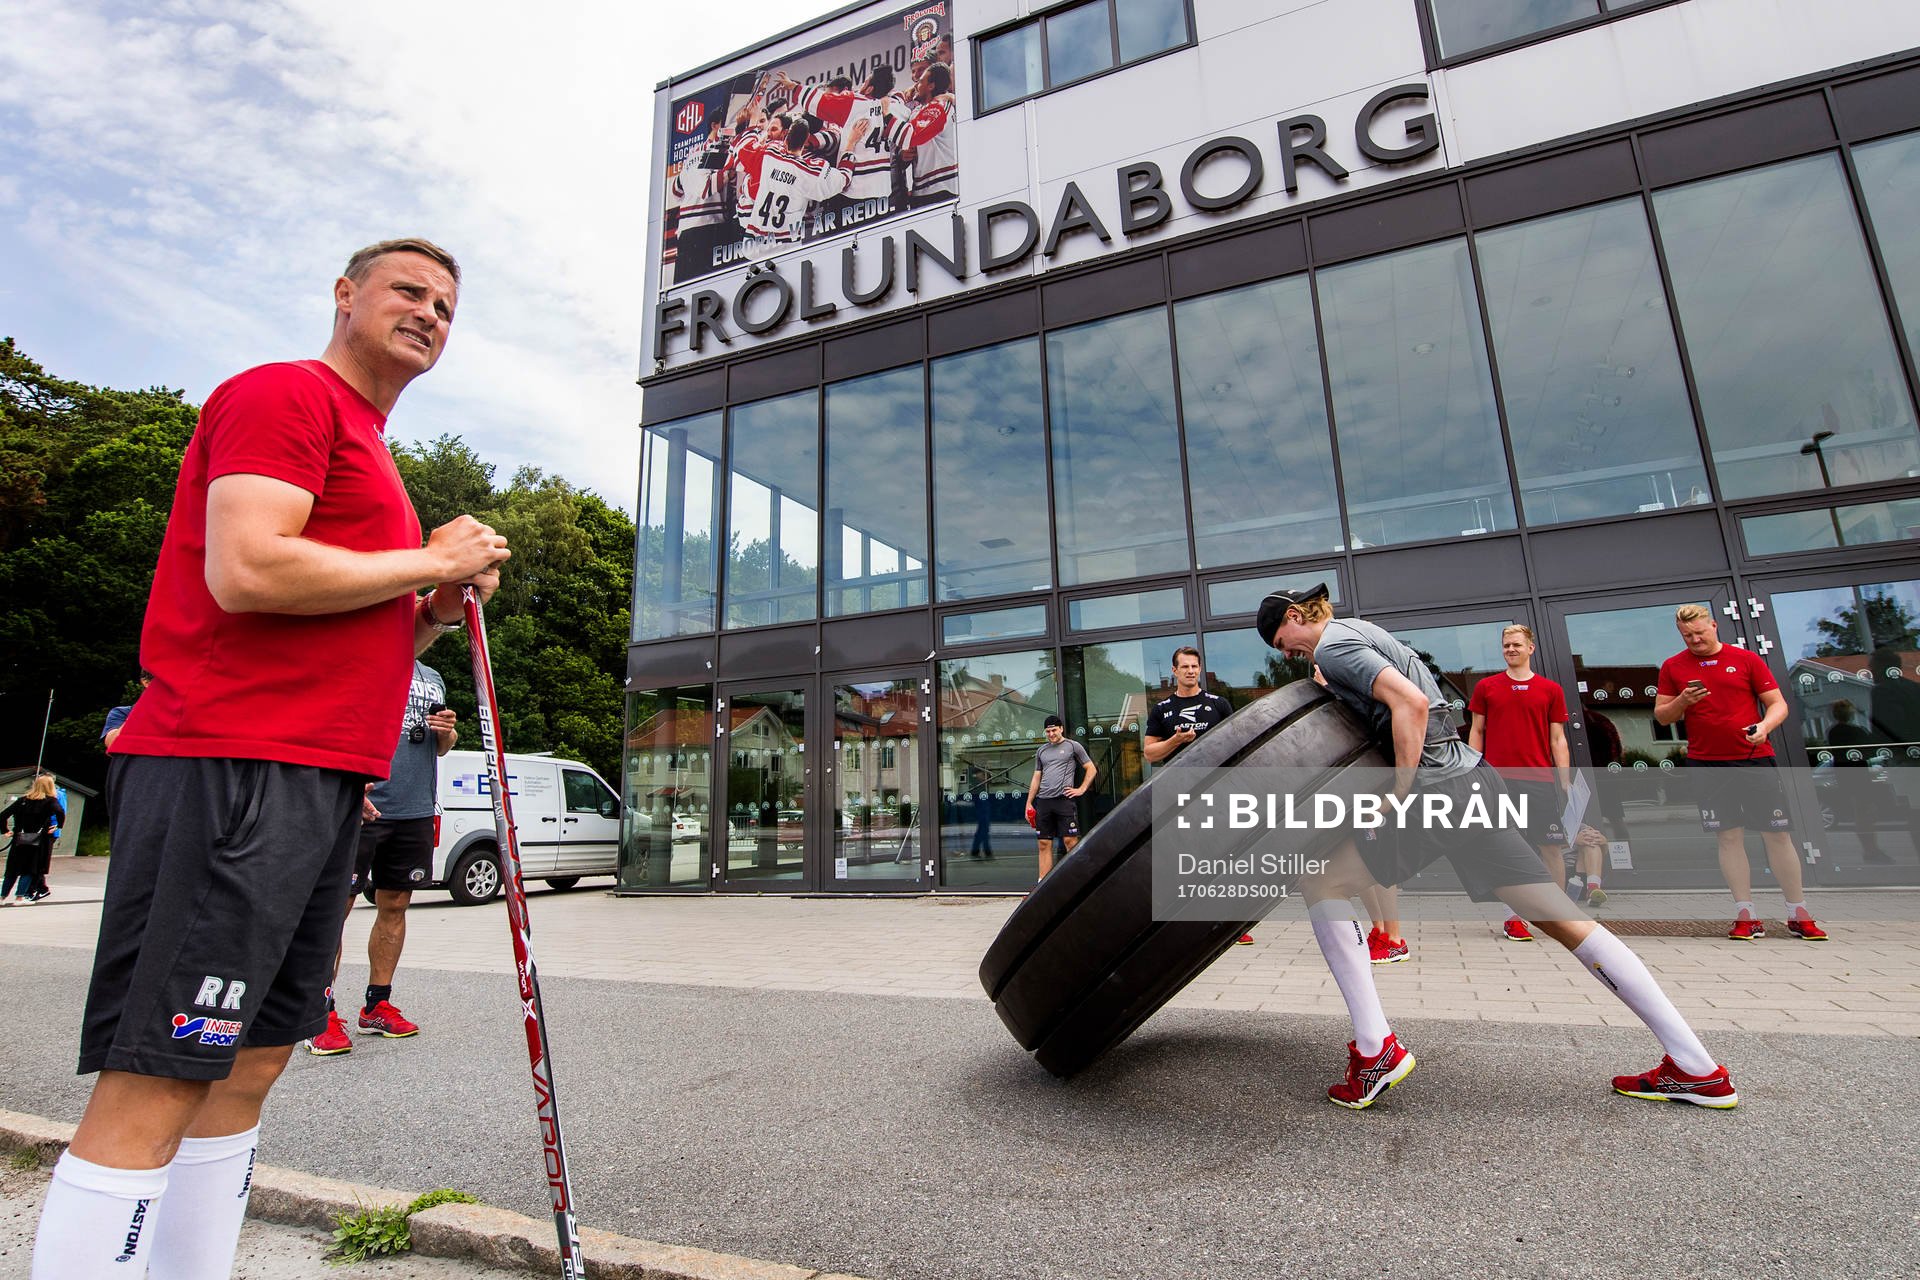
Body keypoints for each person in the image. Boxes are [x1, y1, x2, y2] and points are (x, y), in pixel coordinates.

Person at [31, 238, 509, 1280]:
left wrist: (425, 607)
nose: (429, 312)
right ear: (346, 296)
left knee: (249, 1063)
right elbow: (249, 567)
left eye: (445, 304)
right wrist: (433, 556)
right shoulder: (285, 396)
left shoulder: (372, 450)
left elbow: (357, 622)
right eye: (407, 291)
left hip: (325, 782)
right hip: (231, 761)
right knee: (160, 1068)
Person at [1258, 583, 1736, 1110]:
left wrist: (1396, 794)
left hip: (1436, 789)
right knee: (1561, 918)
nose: (1286, 654)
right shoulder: (1358, 633)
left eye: (1282, 640)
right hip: (1472, 780)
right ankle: (1697, 1066)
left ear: (1298, 615)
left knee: (1321, 880)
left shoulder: (1334, 645)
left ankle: (1375, 1052)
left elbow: (1412, 705)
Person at [306, 661, 457, 1056]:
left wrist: (448, 734)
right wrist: (345, 788)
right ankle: (317, 1010)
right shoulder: (364, 658)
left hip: (415, 808)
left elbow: (437, 748)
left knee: (395, 904)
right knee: (334, 907)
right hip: (362, 804)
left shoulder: (432, 676)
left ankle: (376, 1004)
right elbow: (328, 726)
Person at [1654, 603, 1827, 942]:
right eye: (1687, 635)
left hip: (1754, 758)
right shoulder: (1673, 667)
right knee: (1728, 837)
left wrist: (1764, 727)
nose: (1694, 639)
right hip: (1707, 764)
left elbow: (1778, 704)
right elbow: (1662, 716)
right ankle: (1746, 913)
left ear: (1715, 626)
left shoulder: (1745, 659)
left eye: (1699, 632)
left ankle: (1798, 911)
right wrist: (1683, 702)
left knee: (1777, 834)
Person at [1467, 625, 1573, 941]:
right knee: (1507, 848)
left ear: (1531, 648)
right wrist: (1473, 770)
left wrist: (1563, 780)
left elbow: (1558, 738)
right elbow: (1477, 731)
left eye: (1516, 644)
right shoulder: (1487, 687)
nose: (1510, 649)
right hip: (1498, 780)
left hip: (1539, 779)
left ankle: (1557, 915)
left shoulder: (1550, 690)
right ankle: (1512, 917)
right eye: (1505, 645)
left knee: (1551, 848)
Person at [1145, 645, 1252, 943]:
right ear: (1174, 671)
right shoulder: (1162, 709)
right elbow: (1150, 753)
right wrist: (1175, 741)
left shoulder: (1219, 704)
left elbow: (1238, 742)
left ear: (1200, 669)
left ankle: (1234, 923)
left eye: (1195, 666)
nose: (1191, 671)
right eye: (1185, 667)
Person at [1024, 714, 1095, 881]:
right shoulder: (1041, 751)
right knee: (1043, 843)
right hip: (1043, 802)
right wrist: (1029, 803)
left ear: (1061, 729)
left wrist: (1081, 789)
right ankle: (1043, 884)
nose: (1051, 734)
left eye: (1054, 730)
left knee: (1070, 841)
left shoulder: (1073, 746)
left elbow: (1091, 768)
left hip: (1063, 800)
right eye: (1048, 731)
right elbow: (1036, 778)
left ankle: (1079, 881)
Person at [1824, 699, 1891, 864]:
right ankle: (1871, 851)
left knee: (1865, 812)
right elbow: (1870, 747)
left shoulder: (1834, 731)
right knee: (1864, 813)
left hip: (1851, 777)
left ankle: (1871, 850)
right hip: (1857, 777)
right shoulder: (1849, 731)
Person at [1, 774, 64, 905]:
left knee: (12, 869)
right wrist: (58, 826)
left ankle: (2, 897)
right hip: (38, 840)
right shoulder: (51, 801)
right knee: (30, 869)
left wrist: (6, 831)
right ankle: (19, 897)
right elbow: (60, 813)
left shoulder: (22, 800)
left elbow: (2, 816)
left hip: (19, 839)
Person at [101, 671, 154, 751]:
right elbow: (112, 744)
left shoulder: (177, 716)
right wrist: (141, 711)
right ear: (146, 682)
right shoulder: (121, 713)